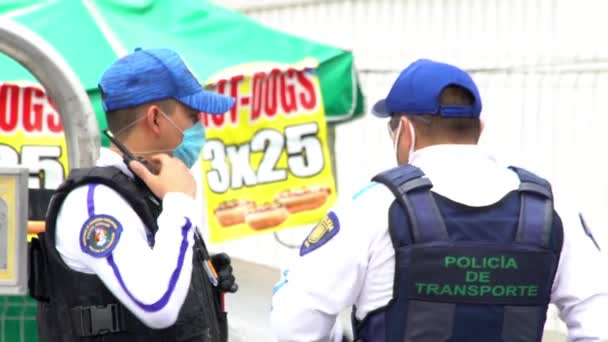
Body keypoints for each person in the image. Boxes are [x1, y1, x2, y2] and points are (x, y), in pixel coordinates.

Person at [270, 59, 608, 342]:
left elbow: (294, 317)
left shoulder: (373, 209)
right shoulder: (550, 209)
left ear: (405, 131)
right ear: (479, 128)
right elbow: (598, 316)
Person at [28, 48, 238, 342]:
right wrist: (179, 203)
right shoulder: (95, 202)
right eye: (192, 116)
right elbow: (157, 305)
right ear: (155, 119)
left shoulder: (148, 194)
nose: (199, 128)